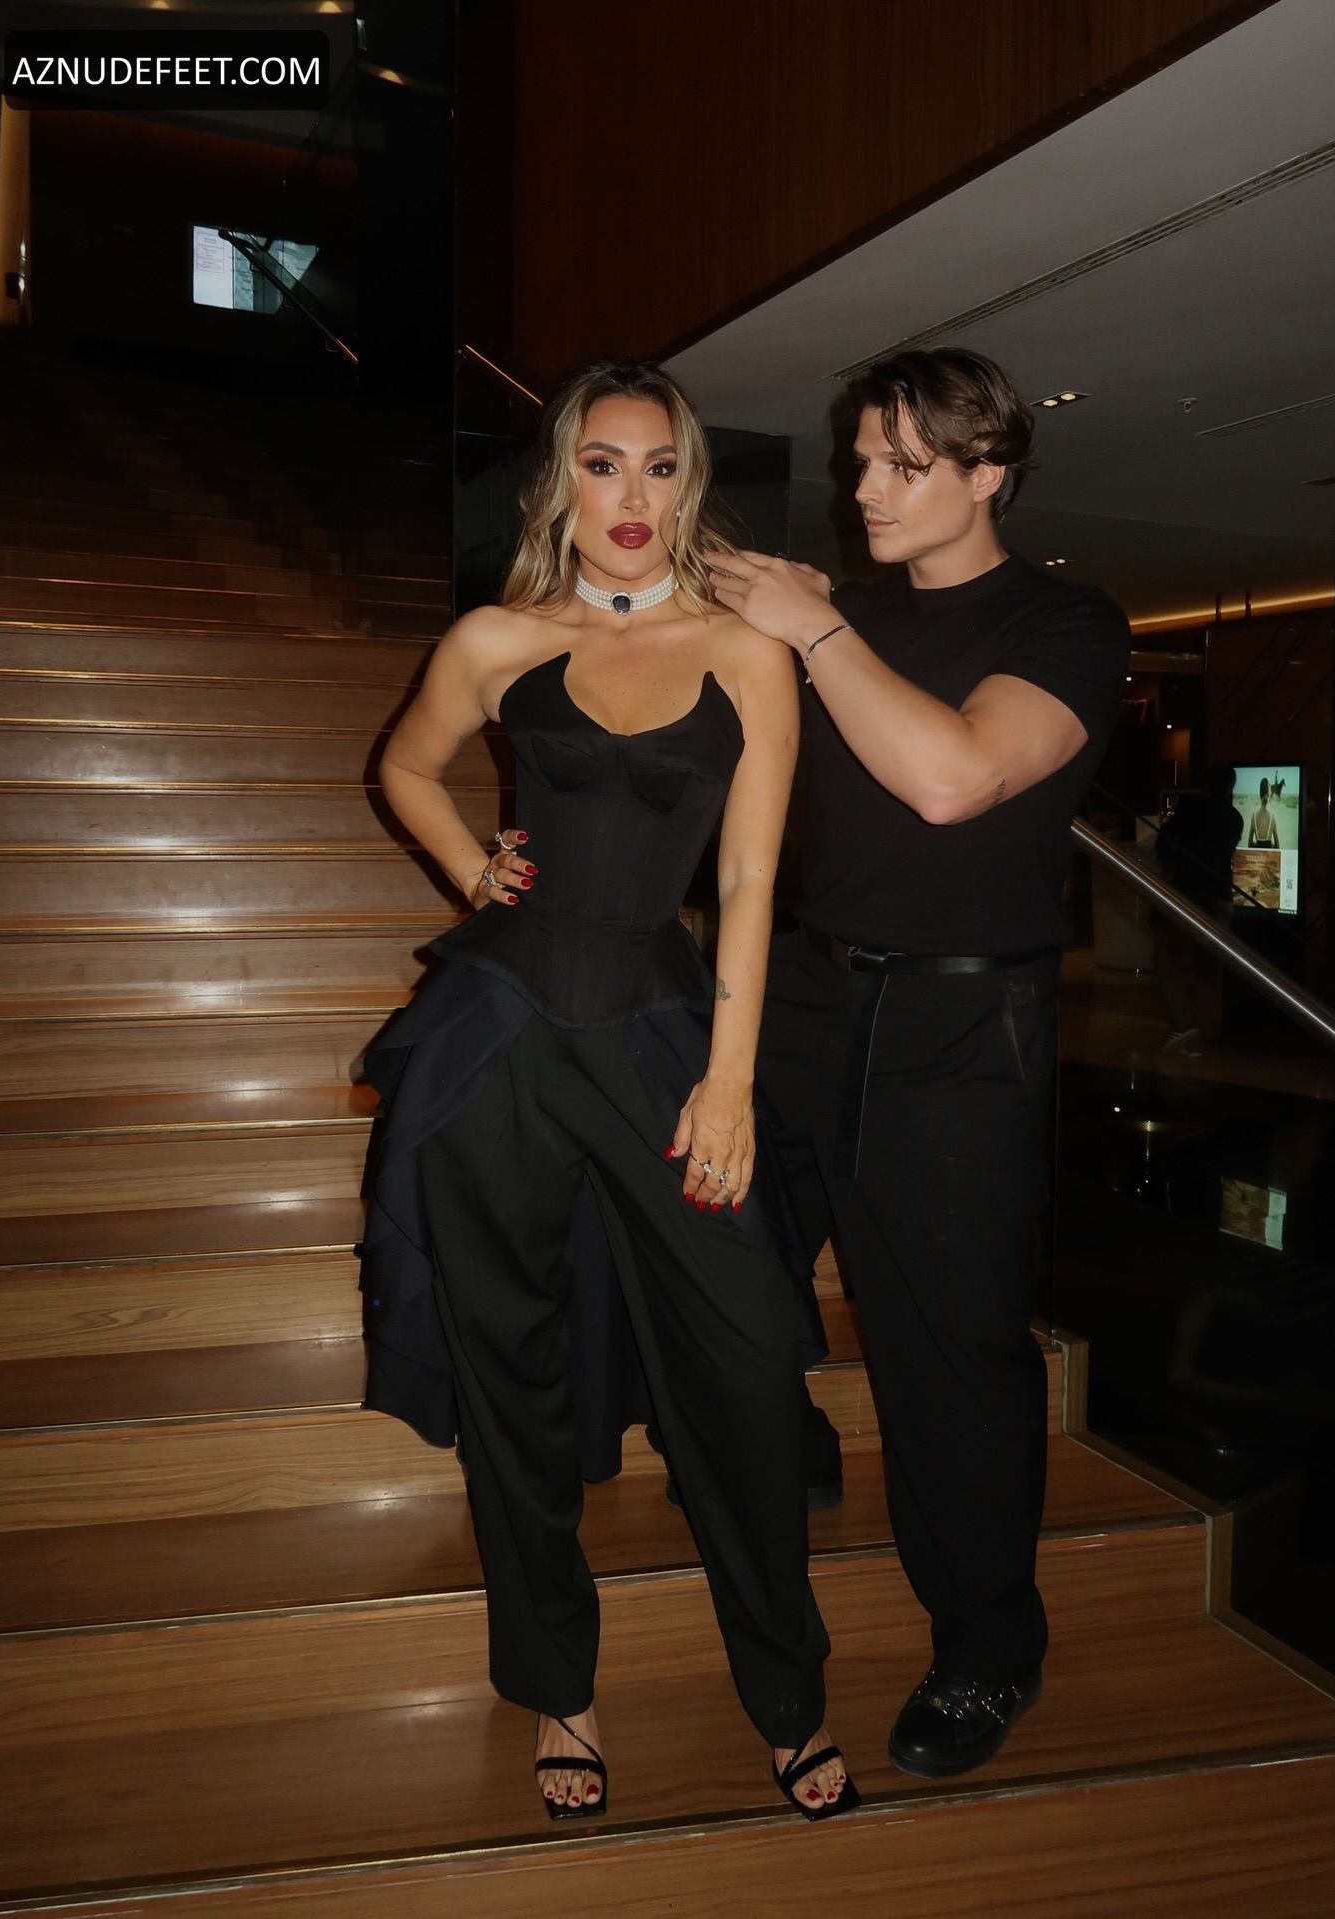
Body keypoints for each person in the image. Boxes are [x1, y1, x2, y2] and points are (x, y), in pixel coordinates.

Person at [356, 360, 857, 1824]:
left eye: (658, 465)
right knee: (510, 1368)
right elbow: (406, 766)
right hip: (497, 1041)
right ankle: (558, 1685)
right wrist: (474, 868)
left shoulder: (746, 650)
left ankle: (788, 1691)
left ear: (688, 482)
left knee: (747, 1359)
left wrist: (731, 1080)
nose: (630, 495)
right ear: (559, 480)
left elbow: (749, 877)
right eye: (600, 462)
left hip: (660, 1035)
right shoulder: (497, 636)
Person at [707, 347, 1131, 1779]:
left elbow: (952, 777)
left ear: (989, 472)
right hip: (803, 994)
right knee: (721, 1259)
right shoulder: (844, 610)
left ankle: (988, 1643)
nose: (866, 487)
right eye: (862, 458)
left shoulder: (1063, 622)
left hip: (959, 1029)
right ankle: (794, 1444)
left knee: (950, 1350)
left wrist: (815, 628)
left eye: (904, 464)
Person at [1153, 763, 1243, 1055]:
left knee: (1168, 959)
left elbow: (1163, 845)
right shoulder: (1234, 818)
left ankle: (1183, 1023)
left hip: (1187, 895)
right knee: (1208, 966)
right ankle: (1207, 1028)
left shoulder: (1190, 811)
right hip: (1220, 897)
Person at [1247, 775, 1281, 848]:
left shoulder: (1254, 816)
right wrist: (1270, 845)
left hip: (1257, 855)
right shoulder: (1272, 818)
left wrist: (1257, 845)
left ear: (1260, 794)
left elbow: (1249, 844)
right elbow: (1277, 846)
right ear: (1268, 794)